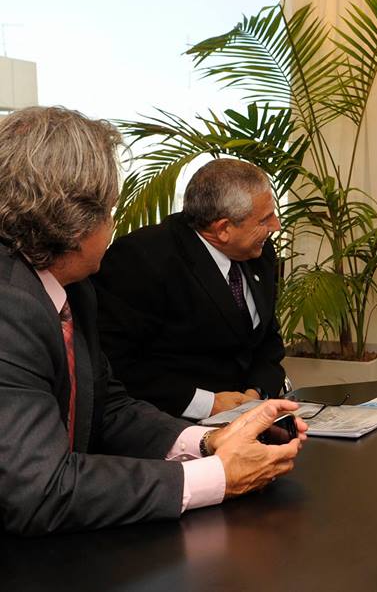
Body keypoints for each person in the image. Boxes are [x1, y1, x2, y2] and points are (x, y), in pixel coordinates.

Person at [0, 106, 306, 536]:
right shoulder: (10, 307)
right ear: (73, 221)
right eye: (111, 210)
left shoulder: (74, 288)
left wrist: (208, 441)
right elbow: (39, 490)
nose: (114, 224)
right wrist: (218, 476)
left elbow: (108, 408)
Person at [92, 158, 285, 419]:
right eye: (265, 219)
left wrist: (256, 394)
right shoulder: (142, 258)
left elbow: (268, 343)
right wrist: (208, 404)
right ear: (223, 229)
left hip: (251, 417)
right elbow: (115, 364)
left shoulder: (259, 252)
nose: (276, 226)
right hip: (170, 425)